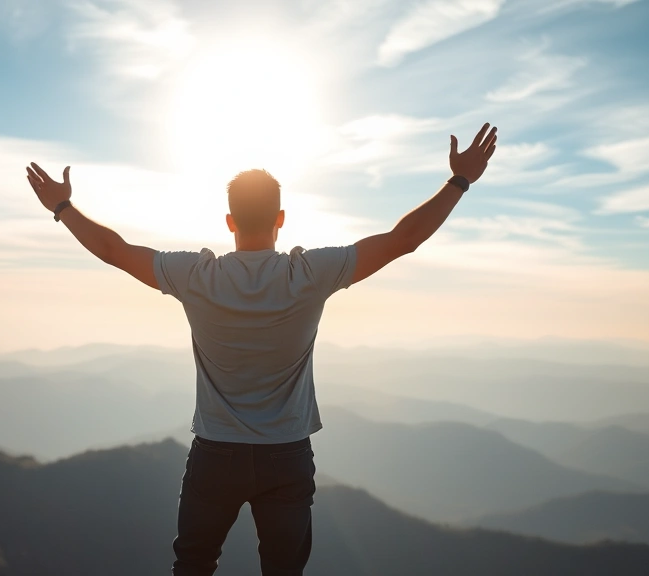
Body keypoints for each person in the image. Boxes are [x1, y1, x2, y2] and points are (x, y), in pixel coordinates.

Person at [25, 123, 498, 575]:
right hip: (286, 456)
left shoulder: (196, 276)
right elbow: (403, 241)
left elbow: (114, 250)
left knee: (192, 566)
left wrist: (63, 206)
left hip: (215, 454)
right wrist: (459, 181)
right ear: (280, 219)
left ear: (229, 221)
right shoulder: (310, 274)